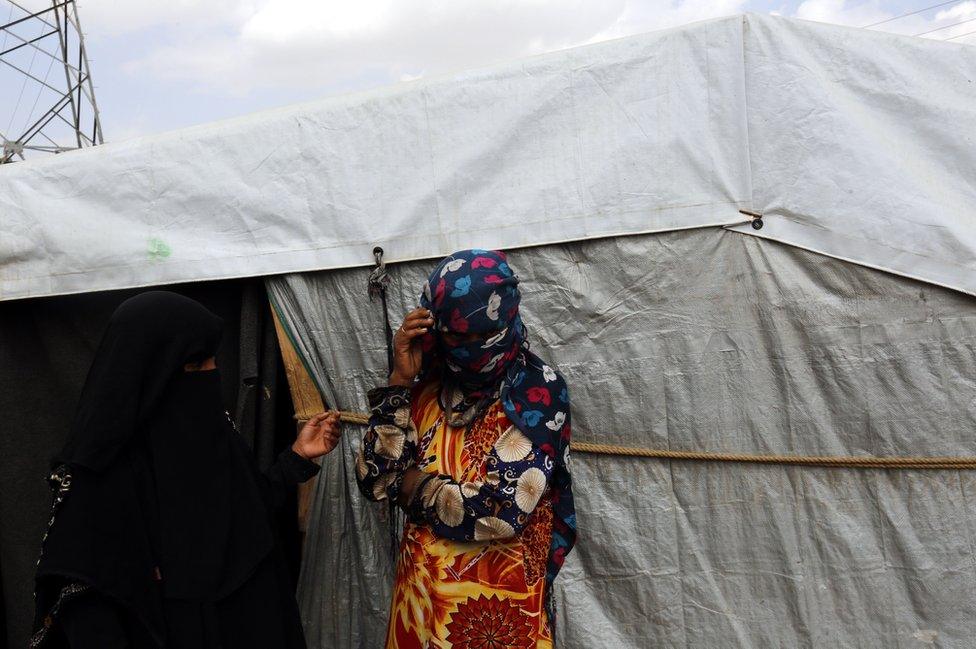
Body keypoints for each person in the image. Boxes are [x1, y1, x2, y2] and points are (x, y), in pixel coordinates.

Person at [30, 291, 341, 649]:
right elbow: (90, 611)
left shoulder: (214, 439)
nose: (212, 375)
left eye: (212, 361)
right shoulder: (98, 481)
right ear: (149, 375)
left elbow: (246, 515)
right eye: (195, 366)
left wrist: (298, 457)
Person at [356, 249, 576, 649]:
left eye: (484, 335)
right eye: (459, 336)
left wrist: (412, 487)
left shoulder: (535, 394)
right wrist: (398, 383)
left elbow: (500, 513)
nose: (474, 348)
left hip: (495, 616)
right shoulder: (424, 387)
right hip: (419, 607)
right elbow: (375, 479)